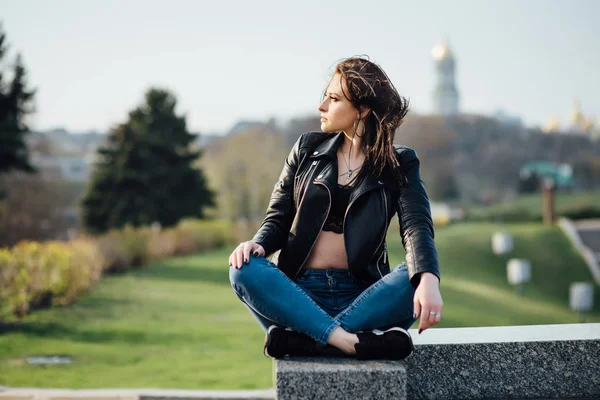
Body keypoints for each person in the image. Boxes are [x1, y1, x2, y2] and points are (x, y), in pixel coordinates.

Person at [228, 56, 442, 360]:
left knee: (415, 275)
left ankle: (304, 339)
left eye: (334, 98)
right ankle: (353, 342)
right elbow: (277, 218)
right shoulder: (306, 150)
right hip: (299, 293)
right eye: (325, 96)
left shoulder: (399, 163)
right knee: (242, 269)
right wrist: (258, 244)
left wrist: (428, 281)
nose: (322, 106)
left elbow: (417, 226)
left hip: (365, 295)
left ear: (363, 109)